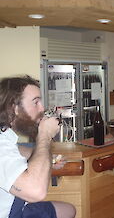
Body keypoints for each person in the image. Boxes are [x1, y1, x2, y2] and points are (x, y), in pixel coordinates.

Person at [0, 75, 76, 218]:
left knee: (68, 210)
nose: (42, 108)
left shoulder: (5, 136)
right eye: (36, 102)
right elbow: (36, 192)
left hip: (18, 207)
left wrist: (39, 156)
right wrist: (44, 135)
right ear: (14, 108)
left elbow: (15, 150)